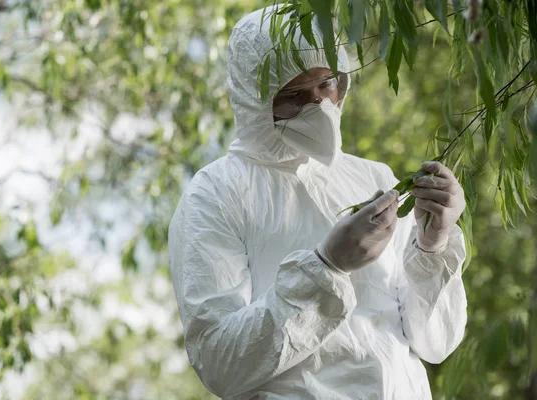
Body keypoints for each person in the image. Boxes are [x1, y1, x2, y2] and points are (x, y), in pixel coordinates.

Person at [168, 6, 468, 400]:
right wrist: (326, 267)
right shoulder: (216, 193)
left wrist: (433, 246)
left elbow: (436, 343)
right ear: (253, 97)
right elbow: (222, 363)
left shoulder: (373, 178)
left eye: (327, 84)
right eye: (295, 95)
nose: (320, 106)